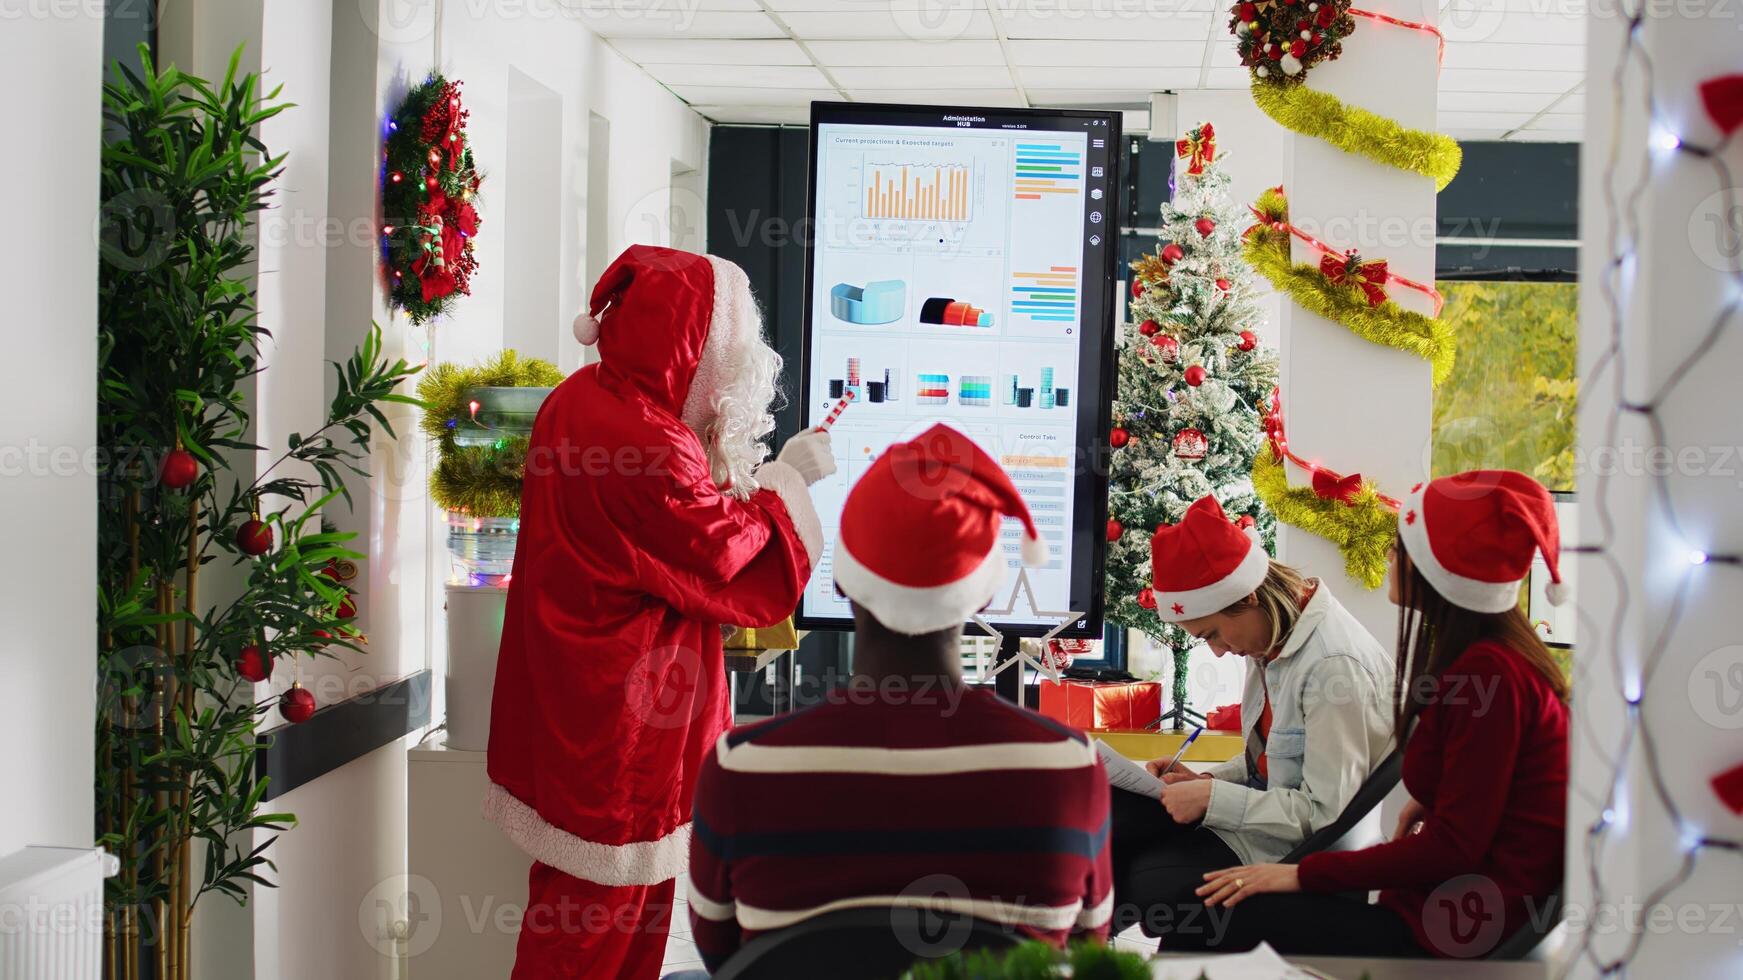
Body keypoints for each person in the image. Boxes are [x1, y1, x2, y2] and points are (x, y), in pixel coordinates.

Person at [484, 245, 837, 979]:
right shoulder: (645, 443)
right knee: (594, 937)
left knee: (594, 918)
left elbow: (660, 536)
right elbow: (720, 554)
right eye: (730, 347)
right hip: (625, 734)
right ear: (691, 343)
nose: (741, 368)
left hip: (578, 703)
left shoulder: (582, 400)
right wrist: (787, 480)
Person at [685, 423, 1113, 973]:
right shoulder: (1068, 766)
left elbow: (723, 957)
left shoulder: (741, 768)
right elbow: (1085, 953)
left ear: (842, 584)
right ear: (983, 592)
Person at [1193, 470, 1571, 958]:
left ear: (1440, 570)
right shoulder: (1489, 660)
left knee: (1210, 920)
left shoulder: (1488, 677)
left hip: (1456, 929)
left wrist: (1298, 874)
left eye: (1399, 548)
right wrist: (1436, 802)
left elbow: (1452, 850)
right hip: (1452, 910)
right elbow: (1477, 803)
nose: (1389, 558)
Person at [1110, 495, 1394, 946]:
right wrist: (1202, 780)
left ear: (1249, 597)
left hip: (1295, 852)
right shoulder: (1270, 639)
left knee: (1131, 860)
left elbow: (1325, 815)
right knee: (1112, 813)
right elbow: (1270, 763)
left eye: (1214, 634)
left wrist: (1213, 797)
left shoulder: (1333, 669)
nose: (1218, 651)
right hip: (1266, 829)